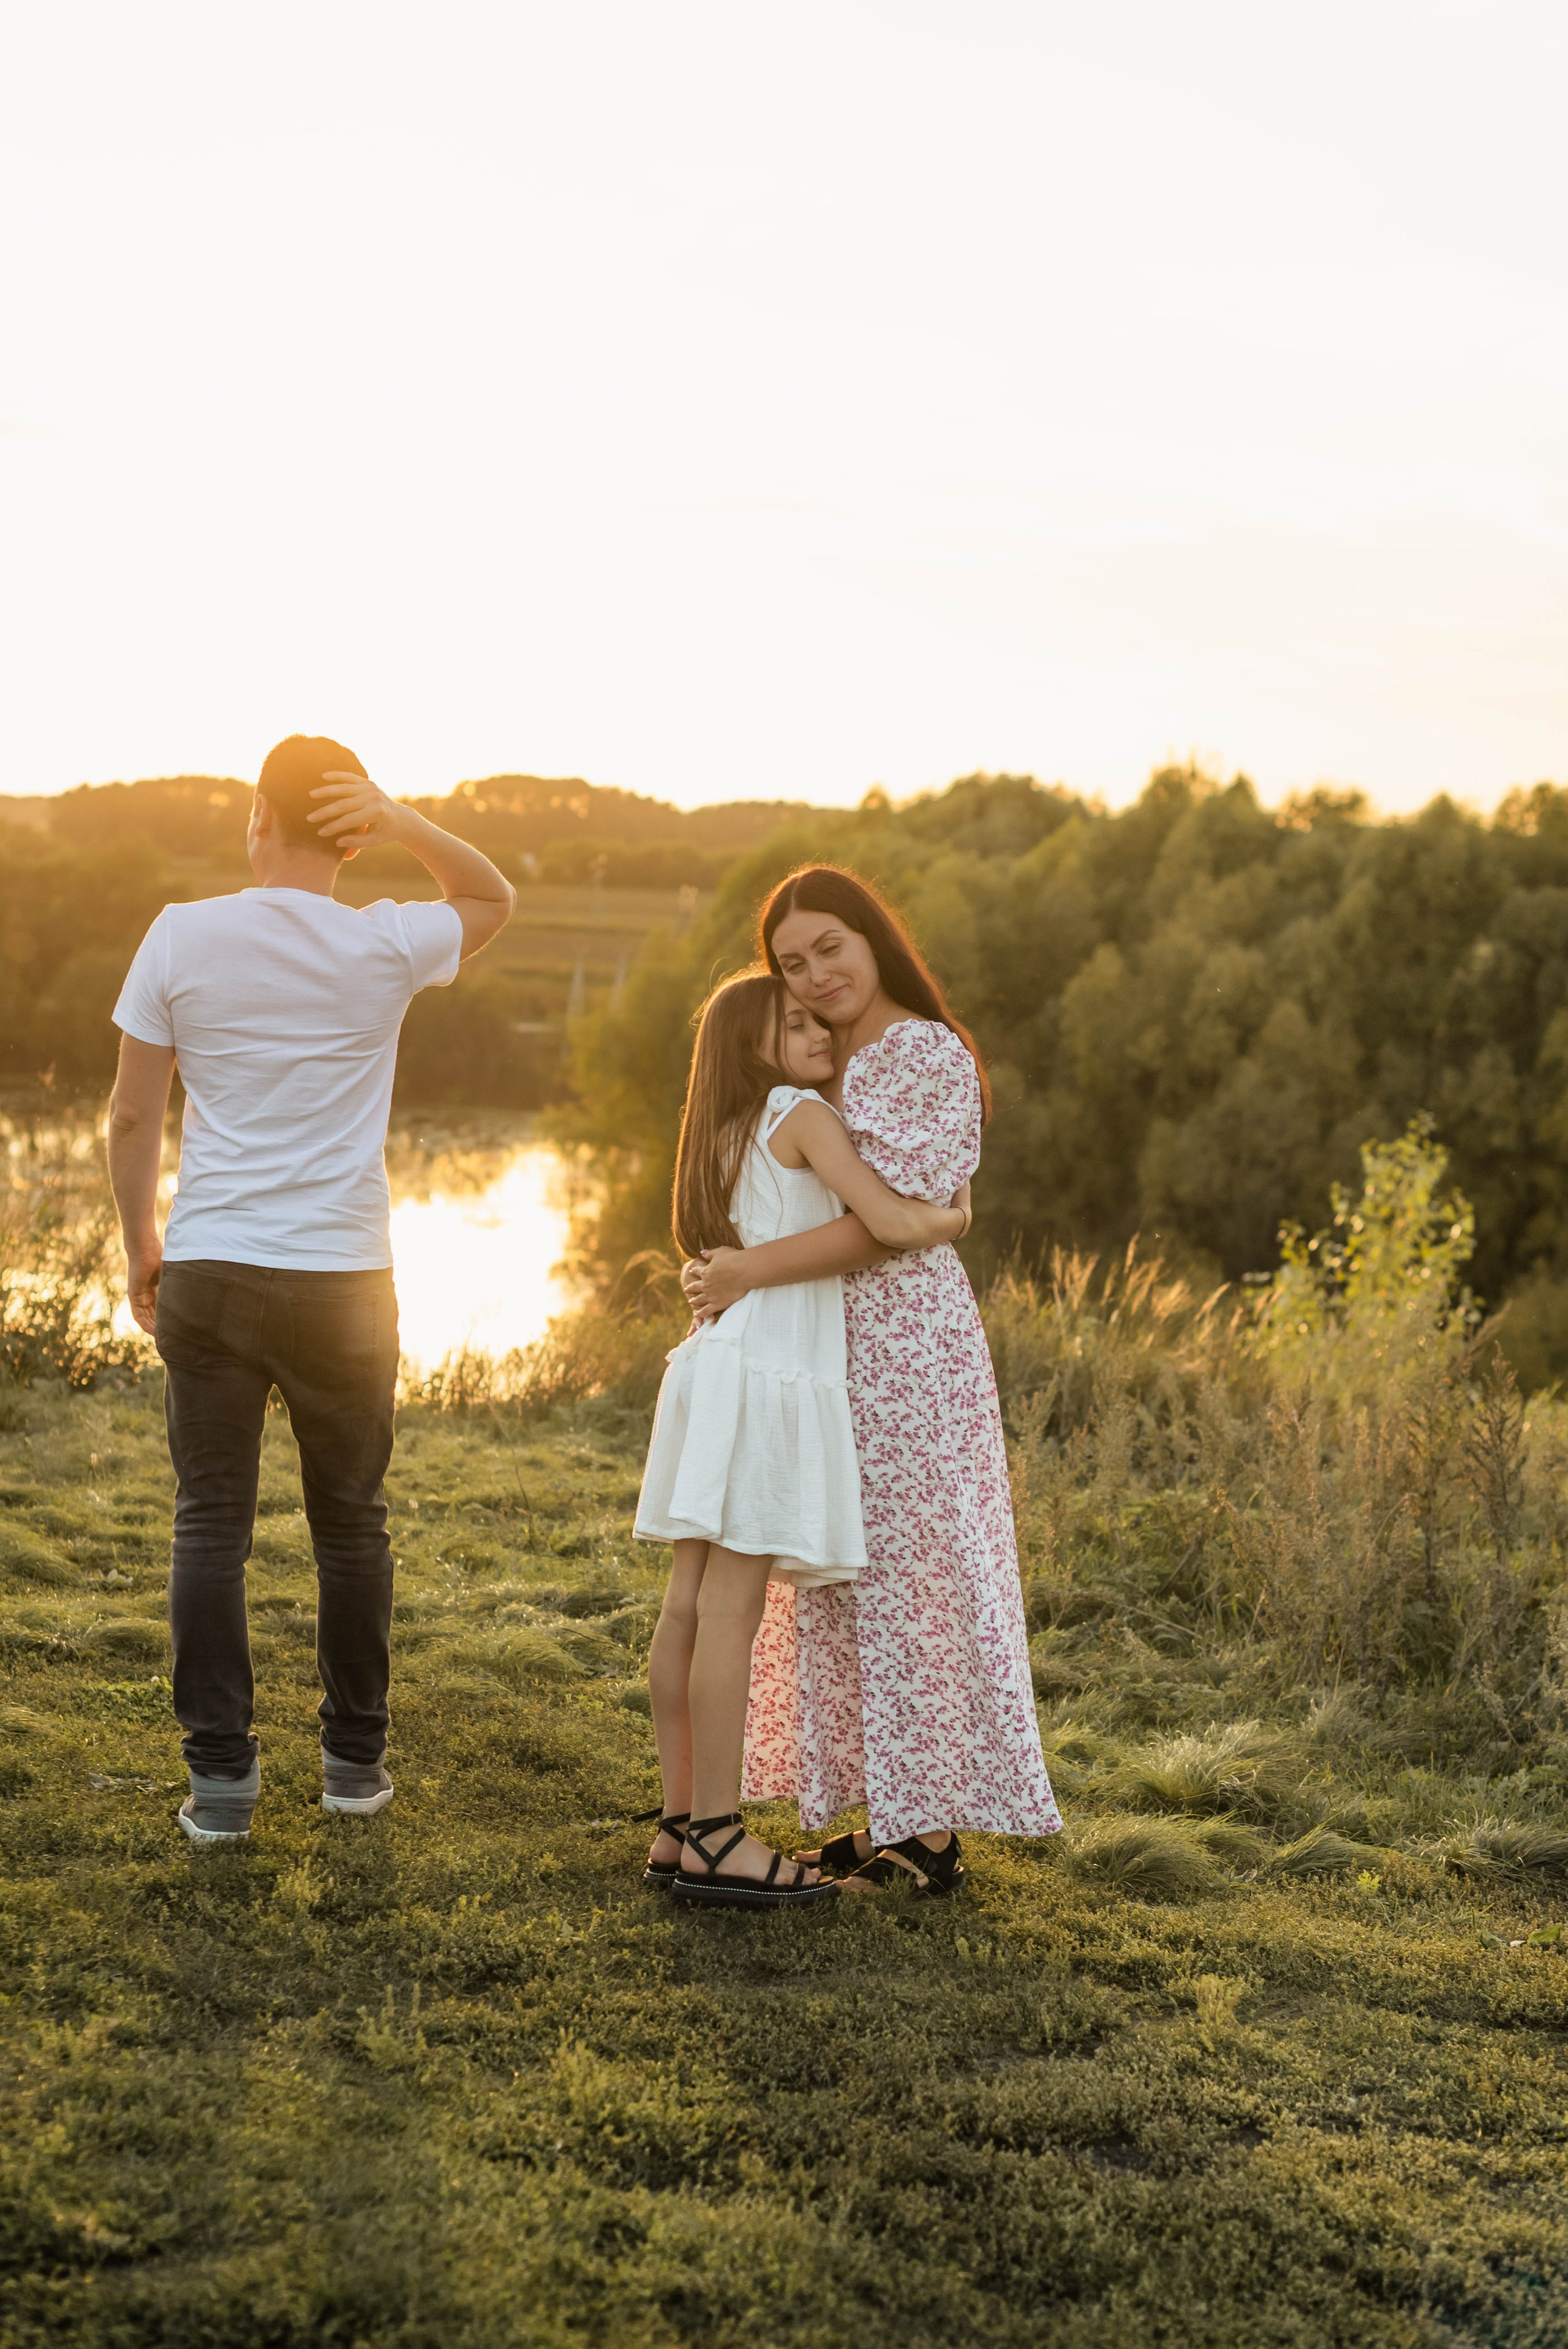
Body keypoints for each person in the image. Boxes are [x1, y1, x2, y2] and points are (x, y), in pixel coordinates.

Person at [106, 736, 515, 1845]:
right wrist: (405, 820)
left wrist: (142, 1243)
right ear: (351, 831)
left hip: (214, 1266)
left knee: (210, 1527)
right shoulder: (385, 939)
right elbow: (490, 894)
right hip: (344, 1278)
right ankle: (351, 1768)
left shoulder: (183, 934)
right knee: (351, 1528)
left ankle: (223, 1787)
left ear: (255, 816)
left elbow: (137, 1114)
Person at [684, 866, 1060, 1896]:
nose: (816, 975)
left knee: (916, 1577)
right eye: (793, 964)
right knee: (842, 1578)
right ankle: (886, 1807)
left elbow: (893, 1225)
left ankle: (929, 1833)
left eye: (830, 950)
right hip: (818, 1350)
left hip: (904, 1354)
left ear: (874, 941)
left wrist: (751, 1270)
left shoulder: (921, 1052)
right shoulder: (815, 1058)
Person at [634, 969, 970, 1908]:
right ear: (754, 1046)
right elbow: (894, 1221)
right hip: (769, 1375)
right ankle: (717, 1835)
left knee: (689, 1600)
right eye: (794, 1021)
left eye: (818, 1016)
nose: (819, 1029)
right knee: (731, 1606)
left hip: (714, 1363)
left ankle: (676, 1828)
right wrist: (958, 1212)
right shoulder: (801, 1114)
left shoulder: (726, 1130)